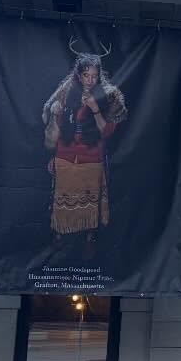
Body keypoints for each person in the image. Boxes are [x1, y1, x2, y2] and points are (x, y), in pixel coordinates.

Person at [43, 48, 127, 261]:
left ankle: (90, 238)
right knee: (61, 200)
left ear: (99, 75)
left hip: (91, 157)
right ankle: (59, 234)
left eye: (94, 76)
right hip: (66, 155)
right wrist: (54, 155)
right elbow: (57, 127)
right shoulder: (65, 92)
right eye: (86, 75)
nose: (90, 80)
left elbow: (107, 131)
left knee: (91, 202)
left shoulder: (107, 95)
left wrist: (95, 109)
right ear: (79, 75)